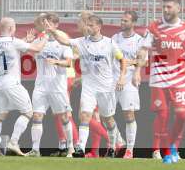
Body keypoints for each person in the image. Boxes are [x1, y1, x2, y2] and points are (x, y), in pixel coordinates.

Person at [46, 15, 127, 158]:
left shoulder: (110, 43)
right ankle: (80, 148)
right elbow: (64, 41)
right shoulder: (81, 42)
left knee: (108, 119)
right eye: (87, 24)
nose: (87, 27)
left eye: (91, 25)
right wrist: (53, 31)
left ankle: (114, 144)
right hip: (89, 87)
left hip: (106, 87)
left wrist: (121, 77)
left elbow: (122, 60)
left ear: (99, 27)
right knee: (85, 116)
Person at [138, 0, 185, 164]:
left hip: (179, 80)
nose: (165, 10)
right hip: (159, 80)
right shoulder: (154, 27)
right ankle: (157, 150)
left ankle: (173, 147)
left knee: (182, 114)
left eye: (169, 7)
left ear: (178, 8)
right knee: (163, 115)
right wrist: (137, 71)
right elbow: (144, 50)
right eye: (164, 7)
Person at [0, 17, 47, 157]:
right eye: (14, 27)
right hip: (11, 82)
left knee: (0, 116)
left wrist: (25, 40)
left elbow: (11, 47)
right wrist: (45, 34)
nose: (15, 29)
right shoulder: (14, 42)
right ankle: (14, 142)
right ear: (10, 29)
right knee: (28, 112)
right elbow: (37, 48)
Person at [25, 13, 75, 157]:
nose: (46, 26)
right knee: (37, 116)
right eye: (44, 23)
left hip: (57, 86)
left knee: (64, 117)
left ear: (55, 25)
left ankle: (70, 148)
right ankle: (35, 149)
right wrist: (29, 44)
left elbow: (68, 62)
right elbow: (29, 52)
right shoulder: (40, 41)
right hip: (41, 86)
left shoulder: (63, 42)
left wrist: (57, 62)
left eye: (48, 23)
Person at [112, 11, 148, 159]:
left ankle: (130, 150)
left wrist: (136, 71)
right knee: (104, 114)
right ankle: (119, 140)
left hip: (129, 81)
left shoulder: (139, 40)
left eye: (125, 21)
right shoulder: (115, 38)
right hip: (113, 79)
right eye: (121, 20)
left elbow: (142, 60)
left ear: (133, 23)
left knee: (129, 114)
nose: (122, 23)